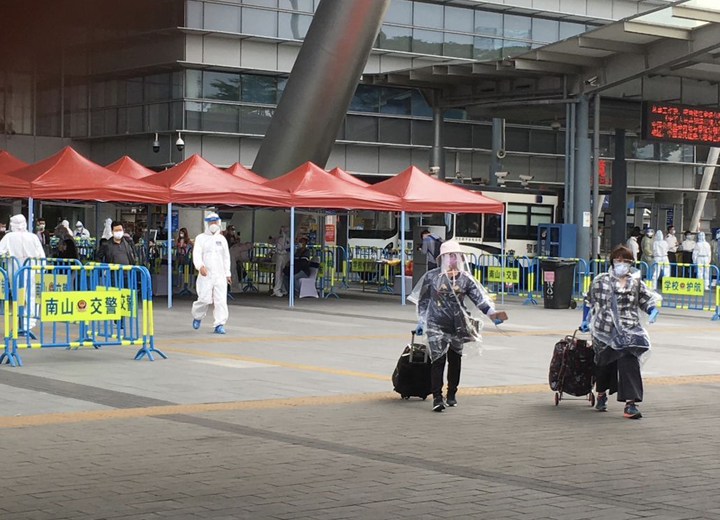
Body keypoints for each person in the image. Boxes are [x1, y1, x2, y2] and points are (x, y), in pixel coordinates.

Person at [409, 240, 506, 412]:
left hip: (457, 325)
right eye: (449, 256)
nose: (452, 259)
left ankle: (452, 393)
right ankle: (437, 397)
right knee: (438, 360)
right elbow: (423, 301)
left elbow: (479, 299)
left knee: (455, 360)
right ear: (442, 258)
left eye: (455, 256)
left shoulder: (465, 279)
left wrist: (492, 313)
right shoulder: (432, 277)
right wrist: (421, 321)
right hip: (435, 324)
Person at [580, 245, 660, 419]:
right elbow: (588, 301)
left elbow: (646, 300)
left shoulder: (635, 282)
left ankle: (630, 404)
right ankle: (601, 393)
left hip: (629, 331)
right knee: (604, 364)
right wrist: (585, 321)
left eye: (626, 261)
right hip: (604, 330)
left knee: (629, 362)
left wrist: (653, 310)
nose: (622, 264)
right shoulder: (600, 280)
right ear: (612, 262)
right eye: (619, 260)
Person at [0, 215, 46, 334]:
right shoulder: (33, 237)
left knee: (18, 297)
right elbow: (42, 255)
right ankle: (28, 324)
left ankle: (20, 323)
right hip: (32, 270)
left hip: (16, 272)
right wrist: (43, 269)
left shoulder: (9, 237)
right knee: (31, 297)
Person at [191, 213, 231, 334]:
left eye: (215, 222)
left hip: (220, 274)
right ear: (206, 223)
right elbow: (196, 254)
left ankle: (219, 324)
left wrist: (227, 273)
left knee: (220, 300)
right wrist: (200, 266)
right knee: (204, 298)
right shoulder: (200, 238)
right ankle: (197, 316)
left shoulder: (222, 239)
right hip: (206, 274)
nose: (213, 224)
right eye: (210, 222)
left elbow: (226, 258)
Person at [272, 225, 290, 297]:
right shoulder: (280, 239)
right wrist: (286, 250)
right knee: (278, 273)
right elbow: (278, 250)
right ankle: (277, 289)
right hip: (280, 257)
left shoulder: (287, 238)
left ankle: (283, 288)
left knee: (283, 273)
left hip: (285, 257)